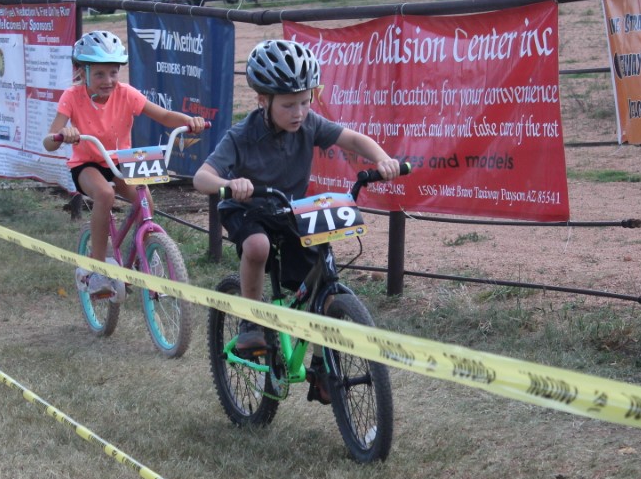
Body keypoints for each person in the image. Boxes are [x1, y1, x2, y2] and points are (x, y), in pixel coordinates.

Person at [192, 39, 401, 367]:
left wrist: (382, 158)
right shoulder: (241, 136)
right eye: (288, 105)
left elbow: (351, 139)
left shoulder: (309, 123)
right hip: (247, 209)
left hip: (288, 209)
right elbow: (201, 177)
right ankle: (251, 322)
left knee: (321, 278)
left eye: (305, 102)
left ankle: (323, 367)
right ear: (263, 100)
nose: (299, 113)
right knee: (258, 246)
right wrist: (229, 184)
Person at [43, 30, 205, 298]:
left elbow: (164, 116)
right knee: (104, 194)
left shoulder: (126, 93)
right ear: (82, 72)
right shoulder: (71, 97)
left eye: (113, 73)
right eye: (99, 74)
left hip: (121, 159)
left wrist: (190, 121)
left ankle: (144, 254)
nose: (108, 81)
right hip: (88, 163)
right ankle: (98, 268)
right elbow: (49, 141)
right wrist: (63, 134)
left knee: (145, 200)